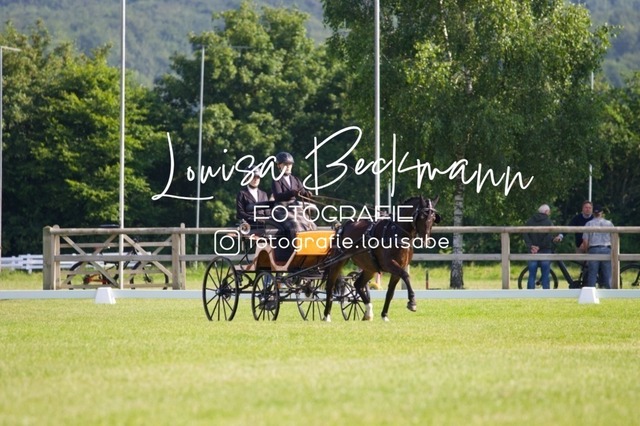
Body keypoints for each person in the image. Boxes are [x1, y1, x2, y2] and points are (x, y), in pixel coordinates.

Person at [523, 204, 561, 289]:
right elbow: (548, 237)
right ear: (546, 212)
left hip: (532, 251)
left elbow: (525, 234)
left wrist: (531, 246)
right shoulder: (548, 222)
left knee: (532, 274)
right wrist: (539, 247)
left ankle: (529, 292)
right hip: (545, 250)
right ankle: (546, 292)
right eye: (549, 212)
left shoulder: (530, 221)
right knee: (545, 273)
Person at [581, 204, 614, 288]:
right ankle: (610, 291)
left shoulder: (589, 224)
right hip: (606, 249)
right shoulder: (609, 223)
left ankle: (591, 291)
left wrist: (586, 251)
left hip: (593, 249)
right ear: (601, 213)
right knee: (607, 274)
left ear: (593, 213)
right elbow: (614, 238)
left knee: (592, 274)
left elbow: (585, 240)